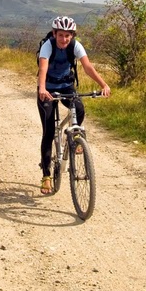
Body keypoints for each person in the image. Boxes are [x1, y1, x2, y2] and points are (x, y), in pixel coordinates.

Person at [37, 15, 110, 195]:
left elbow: (88, 67)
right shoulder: (48, 46)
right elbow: (43, 68)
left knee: (79, 108)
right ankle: (46, 176)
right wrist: (42, 89)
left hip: (66, 86)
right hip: (48, 88)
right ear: (54, 34)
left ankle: (74, 138)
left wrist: (104, 85)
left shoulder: (75, 46)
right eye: (61, 35)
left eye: (68, 36)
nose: (64, 39)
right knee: (48, 132)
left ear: (72, 35)